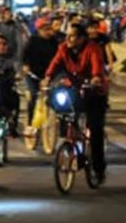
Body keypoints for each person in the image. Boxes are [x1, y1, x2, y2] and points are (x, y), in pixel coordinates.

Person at [43, 23, 108, 183]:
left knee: (95, 129)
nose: (69, 39)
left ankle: (98, 168)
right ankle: (69, 141)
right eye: (68, 36)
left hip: (94, 91)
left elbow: (97, 66)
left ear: (82, 38)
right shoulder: (64, 48)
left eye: (73, 36)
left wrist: (96, 78)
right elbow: (55, 63)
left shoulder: (93, 48)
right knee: (64, 111)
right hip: (75, 88)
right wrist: (47, 78)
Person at [21, 18, 59, 126]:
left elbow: (58, 58)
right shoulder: (32, 41)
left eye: (49, 29)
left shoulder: (53, 41)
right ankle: (30, 123)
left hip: (49, 74)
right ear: (39, 30)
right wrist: (26, 66)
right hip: (33, 74)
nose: (48, 32)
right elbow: (25, 56)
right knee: (33, 95)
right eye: (45, 29)